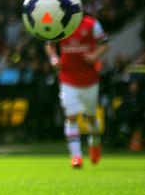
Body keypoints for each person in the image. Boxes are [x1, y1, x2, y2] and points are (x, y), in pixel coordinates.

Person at [45, 13, 109, 169]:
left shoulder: (91, 23)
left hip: (89, 79)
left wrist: (95, 55)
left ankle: (95, 142)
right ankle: (76, 156)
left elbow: (105, 44)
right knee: (71, 117)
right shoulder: (60, 23)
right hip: (68, 78)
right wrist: (54, 58)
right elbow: (49, 44)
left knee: (91, 117)